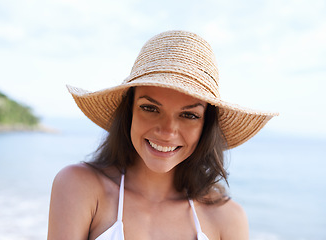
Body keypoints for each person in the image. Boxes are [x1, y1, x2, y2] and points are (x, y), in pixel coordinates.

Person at [47, 30, 277, 240]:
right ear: (129, 113)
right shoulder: (80, 187)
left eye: (189, 115)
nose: (167, 131)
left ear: (206, 126)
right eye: (150, 108)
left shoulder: (228, 219)